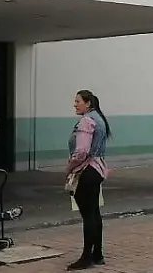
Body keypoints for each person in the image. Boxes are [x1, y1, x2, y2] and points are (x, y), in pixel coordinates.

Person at [65, 89, 111, 270]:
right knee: (94, 213)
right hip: (97, 169)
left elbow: (82, 151)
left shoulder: (87, 120)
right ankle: (97, 254)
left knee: (88, 215)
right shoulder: (99, 119)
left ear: (88, 103)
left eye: (78, 101)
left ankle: (86, 257)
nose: (75, 104)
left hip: (86, 171)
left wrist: (69, 167)